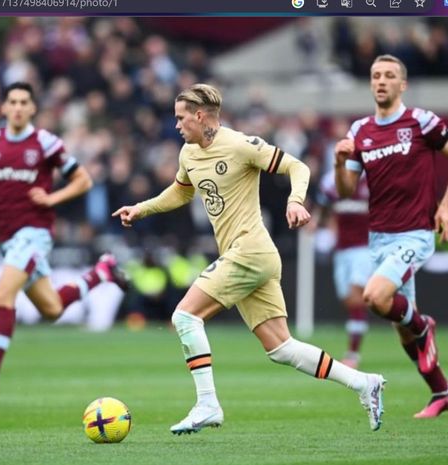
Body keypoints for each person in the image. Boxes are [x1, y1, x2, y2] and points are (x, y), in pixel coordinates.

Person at [113, 83, 386, 434]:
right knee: (282, 349)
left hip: (251, 250)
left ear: (200, 116)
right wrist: (141, 209)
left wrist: (295, 201)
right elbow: (180, 193)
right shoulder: (188, 154)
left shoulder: (241, 144)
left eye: (181, 118)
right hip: (247, 255)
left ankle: (207, 403)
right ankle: (365, 383)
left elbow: (298, 167)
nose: (177, 125)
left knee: (184, 316)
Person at [0, 82, 127, 400]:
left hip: (35, 235)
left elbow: (83, 180)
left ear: (33, 108)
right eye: (13, 101)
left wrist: (52, 198)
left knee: (2, 295)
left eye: (25, 102)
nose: (19, 107)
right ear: (4, 108)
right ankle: (101, 273)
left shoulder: (46, 143)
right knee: (51, 309)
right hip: (8, 239)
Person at [334, 54, 448, 418]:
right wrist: (338, 162)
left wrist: (445, 206)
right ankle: (442, 391)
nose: (381, 81)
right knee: (402, 331)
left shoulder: (421, 121)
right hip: (379, 237)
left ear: (402, 84)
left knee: (375, 297)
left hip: (415, 234)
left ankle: (424, 325)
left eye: (389, 75)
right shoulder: (359, 131)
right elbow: (347, 191)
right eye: (376, 75)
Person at [317, 170, 372, 368]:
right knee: (348, 300)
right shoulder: (335, 185)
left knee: (357, 298)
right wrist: (319, 224)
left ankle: (353, 354)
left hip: (364, 250)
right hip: (341, 251)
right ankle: (385, 306)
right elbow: (327, 210)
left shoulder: (371, 183)